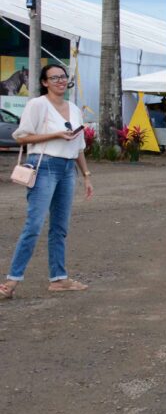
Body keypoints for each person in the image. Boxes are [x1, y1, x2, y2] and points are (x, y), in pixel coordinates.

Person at [1, 64, 94, 300]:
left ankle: (59, 279)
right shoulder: (37, 105)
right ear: (44, 82)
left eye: (63, 77)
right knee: (34, 225)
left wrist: (86, 176)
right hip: (44, 166)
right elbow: (21, 136)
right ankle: (10, 282)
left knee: (60, 228)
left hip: (67, 168)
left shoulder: (73, 109)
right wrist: (54, 134)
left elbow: (79, 145)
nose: (60, 81)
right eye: (54, 78)